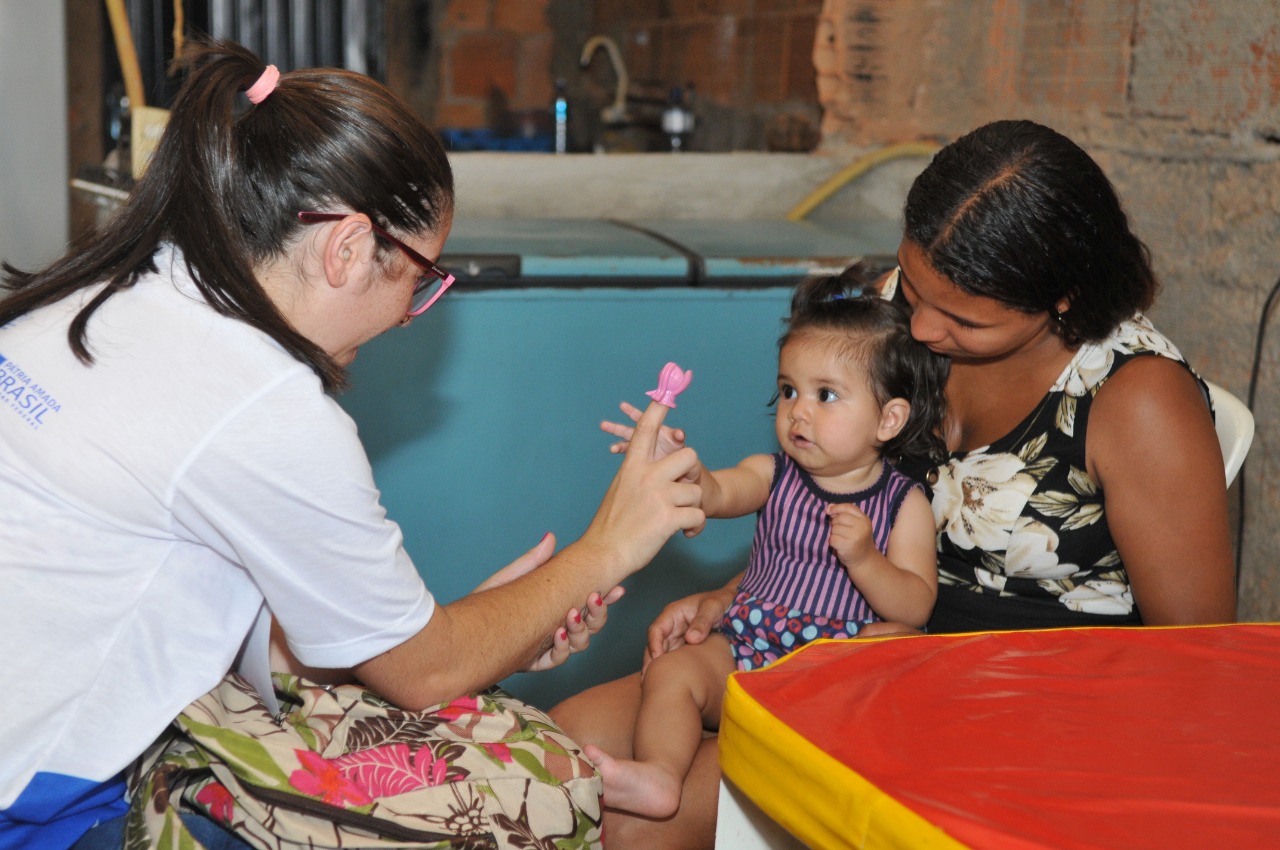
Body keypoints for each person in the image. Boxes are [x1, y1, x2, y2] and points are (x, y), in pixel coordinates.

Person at [0, 40, 704, 850]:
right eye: (420, 278)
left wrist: (490, 624)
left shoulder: (125, 290)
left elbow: (211, 620)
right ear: (346, 249)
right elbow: (424, 672)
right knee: (523, 805)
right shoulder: (263, 401)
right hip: (39, 804)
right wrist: (607, 548)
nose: (413, 314)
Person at [549, 119, 1237, 849]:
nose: (923, 327)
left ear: (1061, 298)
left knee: (633, 816)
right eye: (914, 287)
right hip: (835, 644)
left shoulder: (1136, 402)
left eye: (962, 317)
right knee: (568, 745)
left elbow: (1198, 661)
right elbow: (832, 493)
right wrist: (737, 596)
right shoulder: (895, 319)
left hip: (1005, 712)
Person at [582, 268, 949, 819]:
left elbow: (917, 605)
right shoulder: (772, 473)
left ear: (889, 419)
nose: (798, 410)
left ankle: (823, 748)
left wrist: (866, 560)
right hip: (749, 644)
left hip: (832, 668)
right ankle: (660, 776)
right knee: (673, 671)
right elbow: (719, 490)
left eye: (826, 395)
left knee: (896, 639)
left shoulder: (903, 504)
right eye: (788, 390)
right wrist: (679, 467)